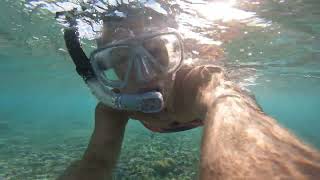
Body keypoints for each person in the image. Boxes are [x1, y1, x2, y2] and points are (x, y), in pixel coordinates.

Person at [59, 14, 320, 180]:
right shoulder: (112, 108)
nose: (145, 73)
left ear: (176, 54)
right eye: (122, 58)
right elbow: (97, 162)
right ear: (106, 68)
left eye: (156, 53)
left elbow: (229, 106)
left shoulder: (198, 81)